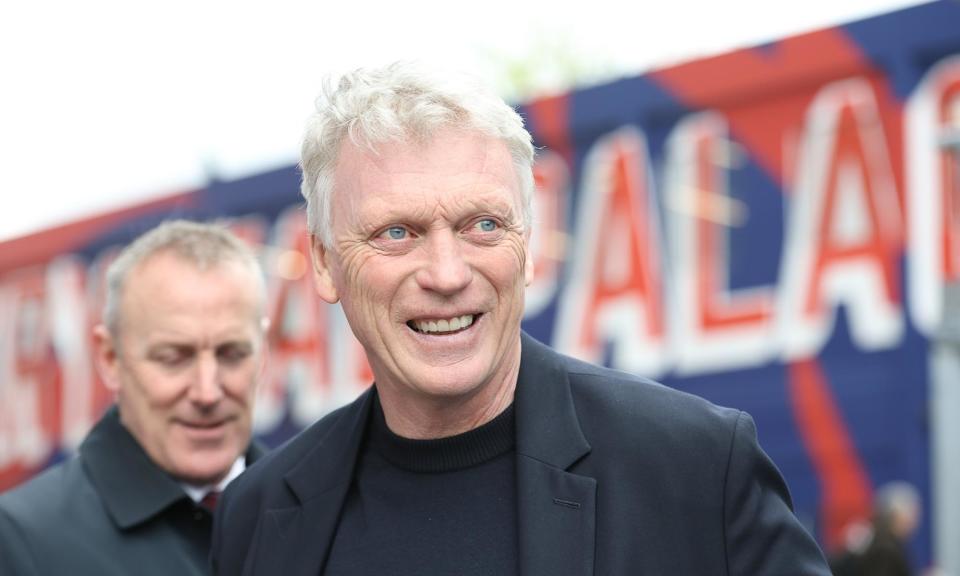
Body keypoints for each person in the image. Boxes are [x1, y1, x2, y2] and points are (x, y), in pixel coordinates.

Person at [211, 62, 831, 575]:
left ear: (529, 247)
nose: (448, 274)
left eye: (483, 225)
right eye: (396, 233)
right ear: (323, 264)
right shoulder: (258, 515)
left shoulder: (694, 468)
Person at [0, 220, 270, 575]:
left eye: (232, 354)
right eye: (174, 358)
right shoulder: (23, 539)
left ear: (264, 349)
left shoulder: (325, 500)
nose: (208, 391)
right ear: (110, 357)